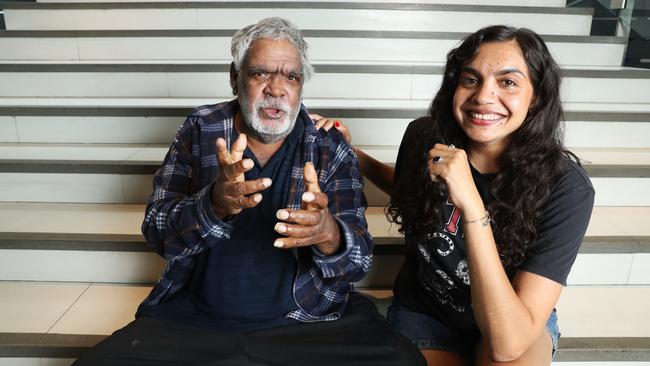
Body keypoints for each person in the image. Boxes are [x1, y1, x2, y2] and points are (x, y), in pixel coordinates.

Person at [73, 17, 424, 366]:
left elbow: (358, 260)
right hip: (192, 320)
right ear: (234, 78)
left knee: (404, 361)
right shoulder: (200, 128)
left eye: (291, 76)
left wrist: (328, 233)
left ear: (301, 87)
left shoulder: (329, 145)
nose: (276, 88)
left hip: (308, 323)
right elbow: (158, 232)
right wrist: (213, 204)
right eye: (260, 73)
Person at [313, 25, 595, 365]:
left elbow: (508, 344)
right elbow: (408, 188)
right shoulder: (423, 137)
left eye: (508, 82)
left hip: (512, 316)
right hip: (427, 313)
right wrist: (355, 156)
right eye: (471, 79)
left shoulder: (566, 187)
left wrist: (472, 204)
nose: (484, 96)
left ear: (535, 97)